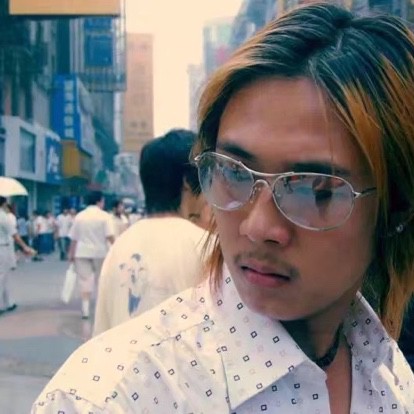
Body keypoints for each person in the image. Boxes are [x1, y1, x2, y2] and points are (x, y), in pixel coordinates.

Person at [31, 4, 414, 412]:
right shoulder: (106, 398)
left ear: (396, 207)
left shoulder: (389, 375)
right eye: (234, 172)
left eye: (313, 189)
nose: (257, 226)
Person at [93, 129, 209, 335]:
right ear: (186, 182)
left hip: (121, 354)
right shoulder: (205, 245)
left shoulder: (120, 245)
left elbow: (101, 330)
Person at [67, 191, 115, 319]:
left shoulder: (79, 216)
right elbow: (110, 236)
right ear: (99, 201)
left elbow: (74, 238)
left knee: (85, 280)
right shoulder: (105, 216)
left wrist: (71, 253)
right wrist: (117, 248)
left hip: (81, 252)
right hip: (100, 252)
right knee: (101, 280)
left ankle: (85, 309)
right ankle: (102, 309)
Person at [0, 197, 35, 315]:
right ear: (4, 204)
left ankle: (8, 303)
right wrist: (25, 247)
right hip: (2, 248)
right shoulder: (3, 217)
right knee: (2, 276)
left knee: (4, 277)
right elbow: (14, 235)